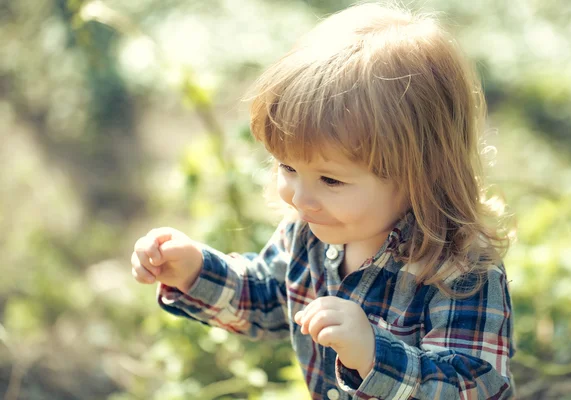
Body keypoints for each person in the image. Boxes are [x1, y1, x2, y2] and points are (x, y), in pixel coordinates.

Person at [131, 3, 516, 399]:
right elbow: (267, 298)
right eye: (288, 168)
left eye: (330, 179)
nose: (300, 198)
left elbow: (477, 388)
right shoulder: (310, 232)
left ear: (422, 172)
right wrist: (193, 271)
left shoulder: (459, 269)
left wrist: (373, 356)